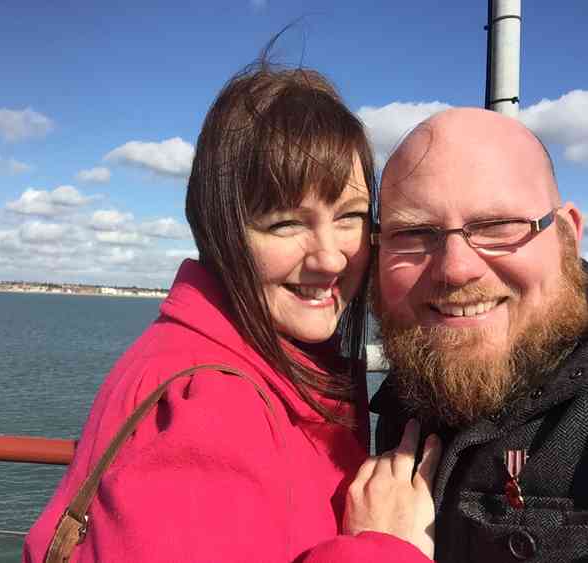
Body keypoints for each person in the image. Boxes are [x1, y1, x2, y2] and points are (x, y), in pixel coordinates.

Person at [23, 55, 440, 562]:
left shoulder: (259, 358)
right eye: (286, 223)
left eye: (350, 217)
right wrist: (384, 548)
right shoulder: (208, 408)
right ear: (221, 233)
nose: (331, 256)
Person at [370, 107, 588, 562]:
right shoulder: (405, 391)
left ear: (567, 233)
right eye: (414, 233)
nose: (455, 268)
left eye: (498, 226)